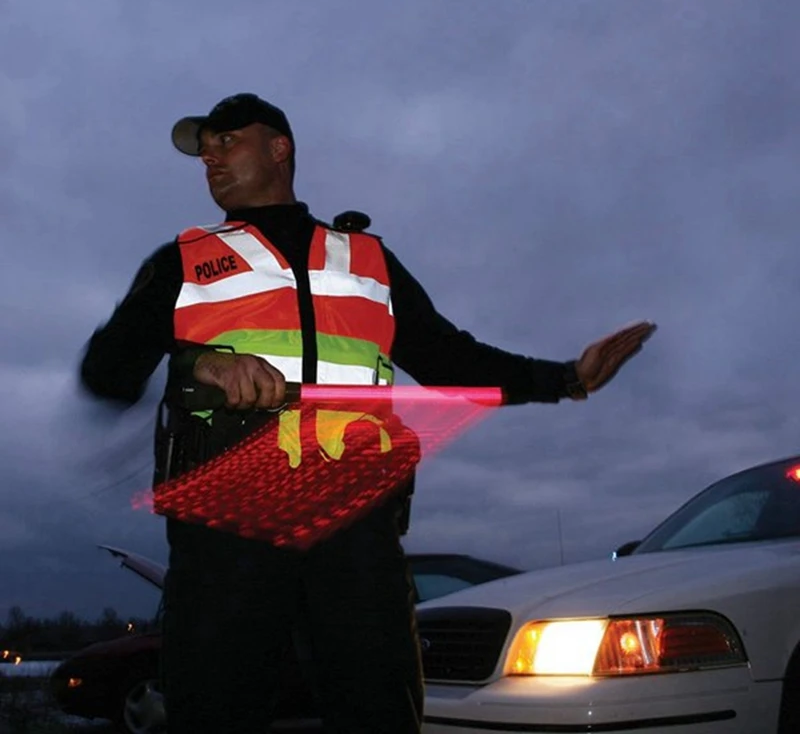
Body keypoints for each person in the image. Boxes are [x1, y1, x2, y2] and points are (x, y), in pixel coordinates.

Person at [80, 92, 656, 734]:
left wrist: (568, 379)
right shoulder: (179, 262)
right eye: (203, 150)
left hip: (355, 532)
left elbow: (451, 359)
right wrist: (200, 364)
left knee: (379, 709)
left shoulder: (369, 260)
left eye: (226, 140)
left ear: (279, 147)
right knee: (215, 710)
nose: (209, 158)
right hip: (227, 532)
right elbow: (105, 373)